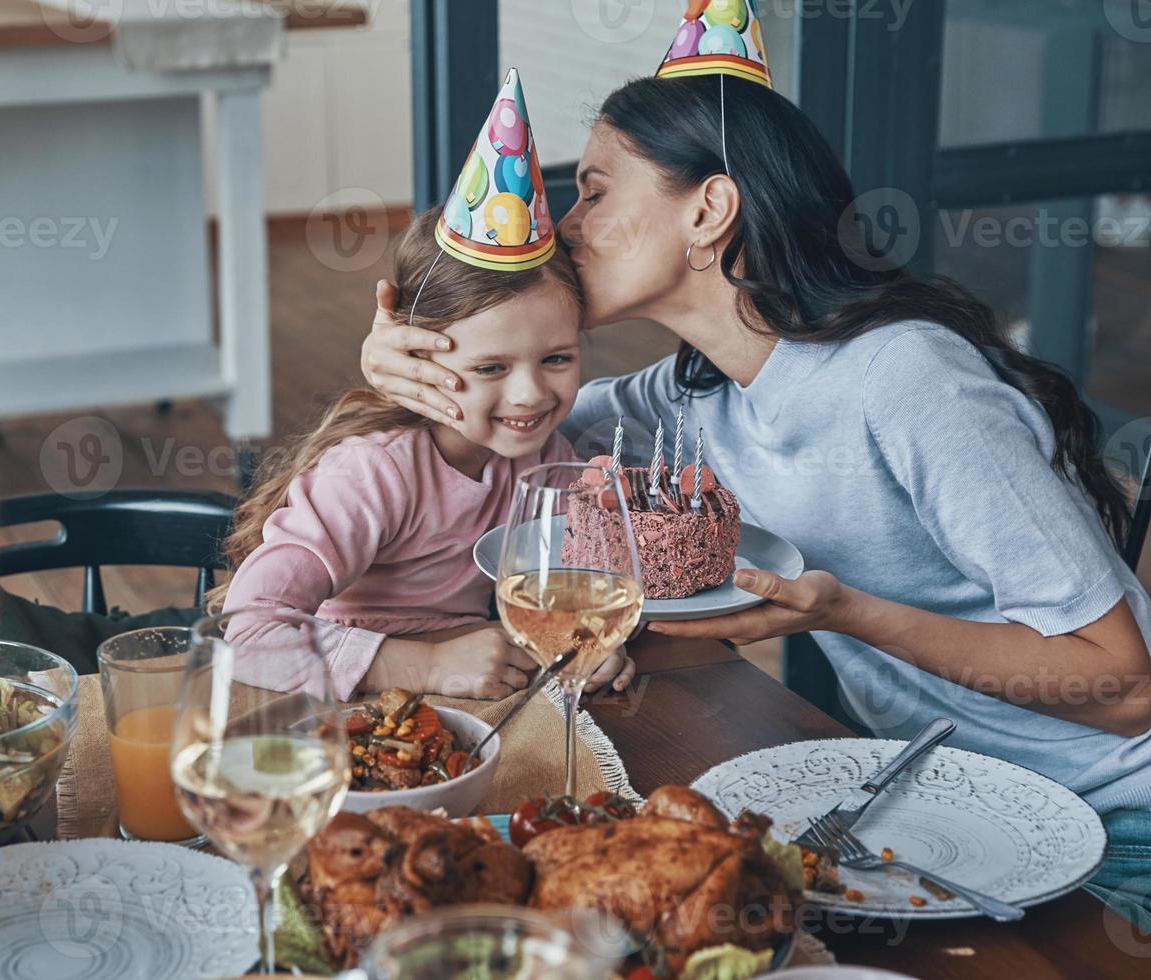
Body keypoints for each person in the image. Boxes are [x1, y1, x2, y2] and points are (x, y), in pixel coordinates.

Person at [359, 74, 1151, 924]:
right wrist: (397, 369)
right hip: (932, 796)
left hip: (1116, 818)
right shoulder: (699, 394)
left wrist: (847, 612)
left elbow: (1124, 683)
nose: (566, 226)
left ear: (708, 211)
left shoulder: (908, 380)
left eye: (592, 192)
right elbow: (500, 430)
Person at [213, 207, 635, 702]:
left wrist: (591, 643)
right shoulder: (373, 472)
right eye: (491, 367)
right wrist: (427, 665)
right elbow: (246, 633)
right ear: (418, 362)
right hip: (344, 694)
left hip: (477, 681)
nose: (530, 393)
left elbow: (571, 592)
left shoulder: (546, 461)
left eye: (556, 358)